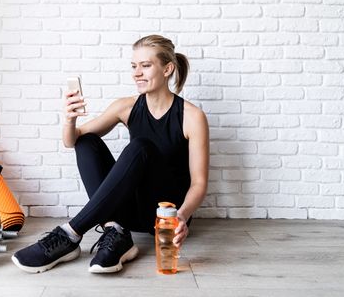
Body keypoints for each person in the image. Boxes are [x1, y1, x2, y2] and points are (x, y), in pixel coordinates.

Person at [12, 34, 209, 274]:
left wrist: (181, 215)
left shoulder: (192, 116)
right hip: (130, 213)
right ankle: (117, 232)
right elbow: (72, 141)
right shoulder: (125, 107)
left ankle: (70, 234)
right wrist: (70, 120)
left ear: (167, 69)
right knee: (86, 141)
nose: (137, 73)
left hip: (166, 216)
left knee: (141, 147)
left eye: (146, 66)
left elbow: (199, 183)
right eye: (134, 66)